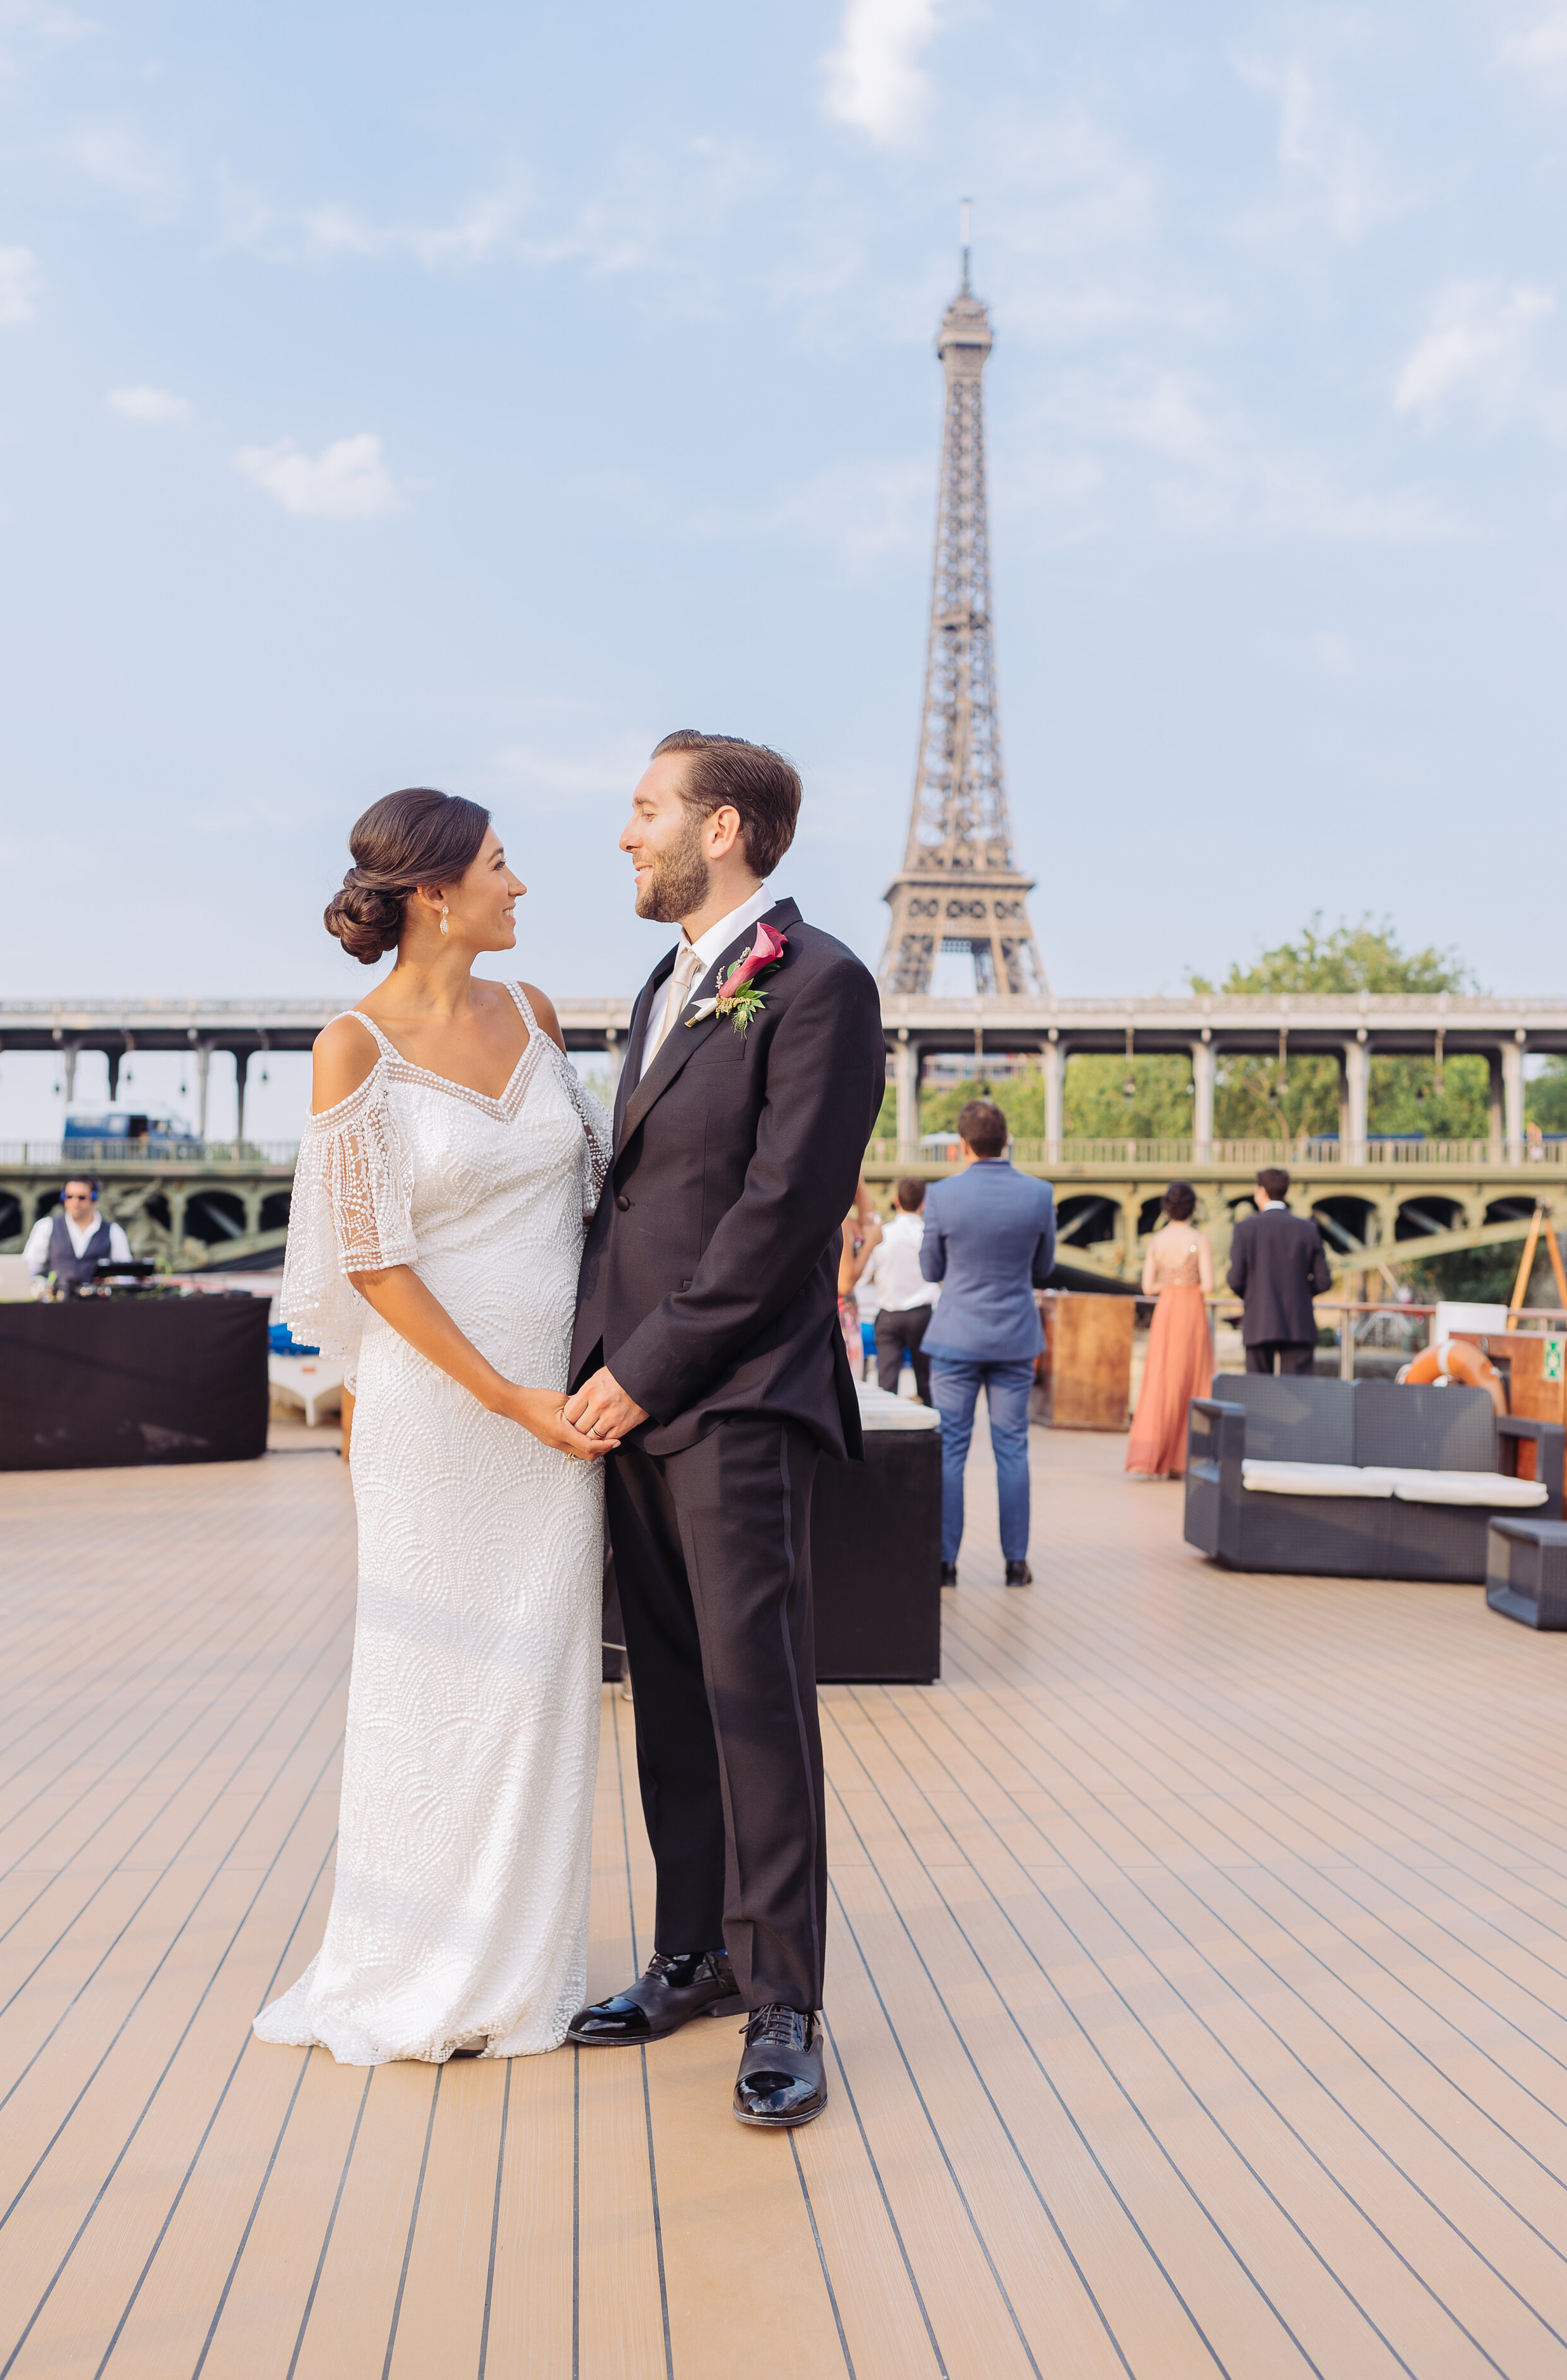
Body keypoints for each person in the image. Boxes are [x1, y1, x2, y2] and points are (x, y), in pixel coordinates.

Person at [254, 787, 614, 2068]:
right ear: (435, 893)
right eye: (503, 866)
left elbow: (594, 1194)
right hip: (447, 1415)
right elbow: (370, 1260)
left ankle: (521, 1971)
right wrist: (502, 1394)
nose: (521, 888)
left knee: (537, 1685)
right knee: (430, 1683)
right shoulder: (351, 1046)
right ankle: (402, 1964)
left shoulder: (535, 1016)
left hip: (557, 1416)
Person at [561, 730, 886, 2132]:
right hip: (627, 1400)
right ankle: (689, 1949)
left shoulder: (819, 984)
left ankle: (784, 1996)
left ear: (727, 829)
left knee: (755, 1699)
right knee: (674, 1698)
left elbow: (780, 1214)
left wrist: (648, 1367)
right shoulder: (663, 984)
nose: (623, 836)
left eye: (645, 811)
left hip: (733, 1397)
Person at [919, 1100, 1055, 1589]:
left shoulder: (941, 1196)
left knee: (951, 1451)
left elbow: (930, 1270)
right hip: (1016, 1337)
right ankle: (1016, 1563)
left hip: (956, 1338)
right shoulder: (1040, 1194)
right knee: (1012, 1449)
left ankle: (945, 1562)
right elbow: (1043, 1268)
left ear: (962, 1144)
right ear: (1007, 1139)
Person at [1125, 1181, 1214, 1479]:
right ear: (1193, 1207)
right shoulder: (1199, 1239)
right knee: (1193, 1377)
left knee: (1161, 1379)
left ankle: (1152, 1453)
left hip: (1166, 1309)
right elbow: (1211, 1285)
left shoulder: (1156, 1241)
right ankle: (1183, 1457)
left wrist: (1170, 1284)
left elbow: (1148, 1286)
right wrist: (1187, 1284)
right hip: (1190, 1309)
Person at [1227, 1166, 1333, 1375]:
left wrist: (1255, 1294)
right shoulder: (1308, 1228)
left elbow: (1235, 1280)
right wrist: (1300, 1292)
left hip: (1259, 1321)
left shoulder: (1245, 1229)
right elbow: (1324, 1281)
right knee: (1298, 1400)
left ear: (1261, 1191)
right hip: (1299, 1323)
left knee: (1259, 1395)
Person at [865, 1176, 937, 1404]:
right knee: (926, 1382)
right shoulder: (928, 1235)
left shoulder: (883, 1234)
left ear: (896, 1201)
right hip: (922, 1315)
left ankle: (887, 1435)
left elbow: (866, 1274)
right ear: (923, 1204)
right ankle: (930, 1433)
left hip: (889, 1314)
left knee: (887, 1385)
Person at [24, 1177, 132, 1286]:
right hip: (58, 1301)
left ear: (95, 1199)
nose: (75, 1202)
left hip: (98, 1301)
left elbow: (127, 1274)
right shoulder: (46, 1226)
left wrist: (116, 1280)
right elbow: (28, 1269)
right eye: (69, 1197)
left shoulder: (114, 1231)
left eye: (82, 1198)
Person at [837, 1174, 883, 1378]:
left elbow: (868, 1222)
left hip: (843, 1314)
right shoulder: (841, 1220)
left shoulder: (840, 1216)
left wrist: (859, 1179)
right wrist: (870, 1243)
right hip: (841, 1316)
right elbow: (845, 1283)